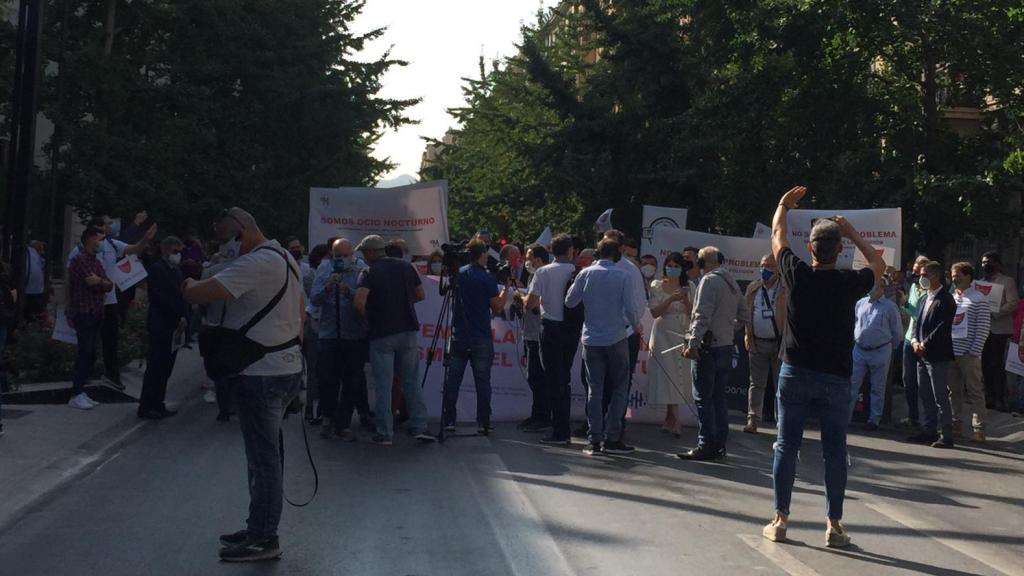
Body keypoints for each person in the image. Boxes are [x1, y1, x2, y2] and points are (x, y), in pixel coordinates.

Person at [183, 207, 305, 562]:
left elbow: (201, 293)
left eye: (227, 242)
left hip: (261, 372)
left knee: (263, 459)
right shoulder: (285, 257)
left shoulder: (255, 263)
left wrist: (189, 282)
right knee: (266, 456)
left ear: (241, 234)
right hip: (283, 365)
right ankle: (258, 526)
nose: (226, 251)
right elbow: (300, 311)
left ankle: (263, 539)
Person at [762, 186, 881, 549]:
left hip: (795, 371)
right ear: (839, 250)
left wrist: (783, 204)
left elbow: (777, 236)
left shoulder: (796, 274)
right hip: (835, 377)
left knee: (786, 445)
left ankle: (780, 519)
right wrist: (853, 233)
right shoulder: (849, 282)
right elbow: (878, 264)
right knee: (834, 451)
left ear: (810, 248)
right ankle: (834, 523)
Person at [353, 234, 436, 445]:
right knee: (411, 382)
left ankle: (385, 432)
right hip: (407, 330)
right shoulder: (406, 267)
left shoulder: (368, 271)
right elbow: (420, 294)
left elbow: (359, 302)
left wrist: (370, 317)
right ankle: (419, 426)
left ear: (371, 252)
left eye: (364, 252)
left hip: (381, 334)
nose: (363, 256)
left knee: (383, 384)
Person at [566, 238, 642, 455]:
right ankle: (613, 437)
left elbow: (569, 302)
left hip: (591, 339)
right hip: (617, 337)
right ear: (616, 254)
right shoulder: (623, 275)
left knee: (595, 389)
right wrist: (636, 326)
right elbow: (631, 309)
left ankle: (594, 440)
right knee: (619, 387)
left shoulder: (585, 273)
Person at [68, 212, 157, 390]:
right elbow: (70, 278)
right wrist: (69, 305)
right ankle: (83, 379)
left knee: (110, 339)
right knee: (88, 343)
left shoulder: (111, 244)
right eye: (108, 224)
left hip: (108, 300)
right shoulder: (78, 252)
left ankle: (111, 374)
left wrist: (145, 239)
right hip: (88, 303)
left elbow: (133, 249)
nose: (111, 227)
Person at [678, 246, 748, 461]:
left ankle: (705, 444)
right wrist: (727, 330)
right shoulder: (731, 282)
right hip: (725, 347)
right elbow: (744, 315)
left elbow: (701, 315)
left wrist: (693, 343)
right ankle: (718, 445)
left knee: (703, 398)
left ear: (702, 263)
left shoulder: (709, 281)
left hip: (707, 349)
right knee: (719, 399)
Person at [443, 240, 509, 434]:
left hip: (458, 334)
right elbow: (497, 307)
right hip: (481, 335)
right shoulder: (486, 277)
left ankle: (449, 420)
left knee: (453, 380)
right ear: (482, 255)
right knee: (482, 381)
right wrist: (505, 288)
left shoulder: (458, 274)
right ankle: (483, 422)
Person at [311, 238, 372, 441]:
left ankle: (343, 423)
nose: (341, 259)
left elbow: (366, 300)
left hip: (354, 335)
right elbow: (314, 299)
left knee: (352, 380)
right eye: (337, 256)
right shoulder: (324, 269)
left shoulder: (361, 270)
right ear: (331, 255)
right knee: (327, 378)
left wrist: (349, 292)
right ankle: (327, 416)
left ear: (352, 255)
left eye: (345, 255)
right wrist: (328, 286)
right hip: (329, 333)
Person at [526, 233, 579, 445]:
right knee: (563, 379)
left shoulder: (543, 272)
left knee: (553, 380)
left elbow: (530, 303)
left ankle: (560, 430)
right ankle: (562, 427)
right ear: (570, 251)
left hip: (550, 328)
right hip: (572, 329)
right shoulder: (578, 272)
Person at [601, 230, 648, 440]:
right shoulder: (594, 269)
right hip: (599, 334)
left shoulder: (630, 270)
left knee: (621, 382)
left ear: (620, 248)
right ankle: (597, 423)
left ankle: (616, 425)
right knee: (597, 381)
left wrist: (630, 324)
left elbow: (638, 304)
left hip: (624, 334)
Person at [909, 260, 957, 449]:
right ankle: (928, 430)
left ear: (936, 276)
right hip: (921, 354)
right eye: (921, 275)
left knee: (939, 396)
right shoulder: (924, 298)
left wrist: (924, 344)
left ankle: (947, 435)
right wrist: (914, 341)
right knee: (925, 394)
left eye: (925, 275)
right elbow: (916, 323)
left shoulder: (946, 299)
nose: (922, 278)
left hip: (937, 354)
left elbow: (942, 327)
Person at [66, 227, 116, 410]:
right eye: (100, 238)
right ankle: (76, 393)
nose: (102, 242)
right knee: (85, 351)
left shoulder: (96, 261)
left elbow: (108, 284)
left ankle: (81, 390)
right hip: (83, 311)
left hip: (96, 311)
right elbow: (90, 282)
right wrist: (101, 283)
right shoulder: (79, 260)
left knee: (91, 352)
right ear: (89, 239)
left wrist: (101, 282)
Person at [138, 236, 187, 419]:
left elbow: (180, 296)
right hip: (161, 324)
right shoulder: (157, 270)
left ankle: (158, 402)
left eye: (180, 252)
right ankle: (147, 405)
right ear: (165, 250)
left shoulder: (176, 271)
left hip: (174, 325)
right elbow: (160, 298)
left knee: (166, 368)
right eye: (175, 251)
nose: (178, 255)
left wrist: (183, 316)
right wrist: (176, 316)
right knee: (156, 367)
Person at [646, 252, 693, 435]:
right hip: (663, 333)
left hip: (682, 332)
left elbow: (693, 312)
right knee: (668, 374)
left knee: (679, 375)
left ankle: (670, 419)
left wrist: (685, 299)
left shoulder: (689, 286)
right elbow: (654, 312)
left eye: (676, 265)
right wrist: (671, 299)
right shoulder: (657, 286)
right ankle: (675, 420)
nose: (672, 268)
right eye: (670, 265)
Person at [849, 277, 903, 429]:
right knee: (852, 384)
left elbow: (897, 332)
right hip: (859, 350)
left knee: (877, 387)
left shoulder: (890, 307)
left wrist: (889, 349)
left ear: (881, 288)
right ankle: (846, 416)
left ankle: (874, 420)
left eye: (875, 286)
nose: (871, 288)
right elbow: (854, 323)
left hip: (881, 350)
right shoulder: (860, 303)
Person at [743, 253, 786, 434]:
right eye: (762, 265)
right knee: (756, 383)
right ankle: (753, 419)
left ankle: (782, 423)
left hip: (779, 343)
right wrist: (747, 334)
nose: (764, 269)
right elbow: (746, 313)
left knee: (781, 385)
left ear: (778, 269)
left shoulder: (785, 288)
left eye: (769, 266)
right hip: (757, 342)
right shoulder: (753, 287)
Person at [948, 262, 991, 443]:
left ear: (967, 277)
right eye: (952, 275)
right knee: (953, 391)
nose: (954, 278)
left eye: (957, 275)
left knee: (974, 391)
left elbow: (983, 327)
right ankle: (955, 424)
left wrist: (974, 350)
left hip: (969, 354)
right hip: (951, 352)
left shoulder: (979, 299)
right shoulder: (951, 297)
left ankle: (979, 428)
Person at [979, 251, 1018, 412]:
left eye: (988, 262)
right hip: (983, 330)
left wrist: (996, 312)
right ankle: (988, 396)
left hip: (1000, 329)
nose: (985, 265)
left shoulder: (1007, 281)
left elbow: (1013, 303)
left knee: (997, 365)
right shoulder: (980, 282)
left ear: (997, 264)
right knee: (985, 364)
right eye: (982, 262)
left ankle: (999, 398)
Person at [518, 244, 551, 431]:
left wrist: (521, 299)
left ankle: (543, 416)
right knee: (533, 376)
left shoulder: (544, 275)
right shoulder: (533, 276)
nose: (526, 261)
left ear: (538, 260)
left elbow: (534, 304)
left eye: (529, 257)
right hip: (529, 332)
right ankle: (536, 413)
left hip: (538, 334)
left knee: (538, 376)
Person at [898, 255, 930, 429]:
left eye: (922, 264)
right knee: (907, 378)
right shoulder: (912, 287)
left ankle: (927, 418)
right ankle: (913, 416)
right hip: (910, 337)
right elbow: (912, 312)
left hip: (923, 339)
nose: (918, 267)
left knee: (923, 380)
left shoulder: (930, 290)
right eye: (917, 263)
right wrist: (903, 303)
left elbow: (924, 313)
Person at [23, 240, 47, 320]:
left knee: (30, 303)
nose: (43, 252)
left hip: (30, 285)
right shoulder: (32, 253)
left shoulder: (30, 253)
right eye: (41, 249)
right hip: (34, 286)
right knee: (32, 303)